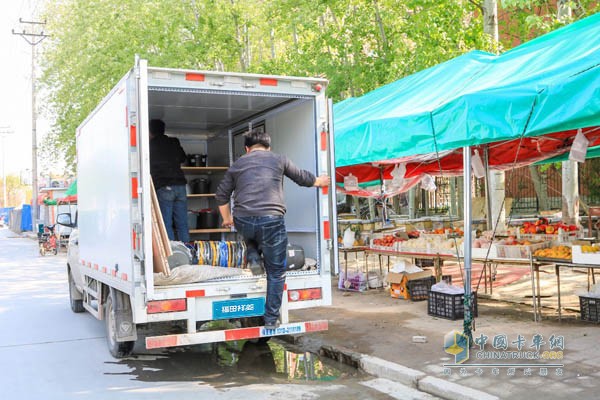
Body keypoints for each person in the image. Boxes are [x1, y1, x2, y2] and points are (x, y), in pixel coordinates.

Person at [215, 129, 329, 329]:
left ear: (247, 149)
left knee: (249, 232)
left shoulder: (237, 164)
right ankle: (270, 319)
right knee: (276, 272)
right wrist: (319, 181)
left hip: (243, 220)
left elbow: (221, 196)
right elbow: (301, 177)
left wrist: (227, 219)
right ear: (269, 147)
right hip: (271, 221)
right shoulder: (279, 159)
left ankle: (252, 257)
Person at [149, 119, 190, 243]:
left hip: (164, 186)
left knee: (166, 223)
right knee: (182, 223)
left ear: (150, 131)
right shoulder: (174, 142)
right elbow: (183, 158)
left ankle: (173, 255)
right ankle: (187, 251)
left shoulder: (150, 145)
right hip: (181, 186)